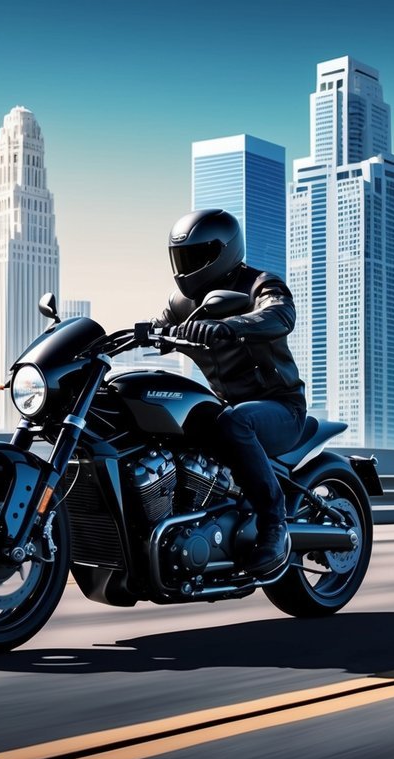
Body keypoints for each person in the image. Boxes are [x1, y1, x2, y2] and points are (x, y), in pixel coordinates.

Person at [151, 209, 307, 577]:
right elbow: (158, 324)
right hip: (227, 407)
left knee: (237, 422)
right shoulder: (182, 304)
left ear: (222, 251)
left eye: (196, 256)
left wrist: (230, 327)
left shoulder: (260, 284)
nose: (186, 266)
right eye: (181, 257)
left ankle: (274, 523)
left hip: (281, 407)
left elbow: (280, 314)